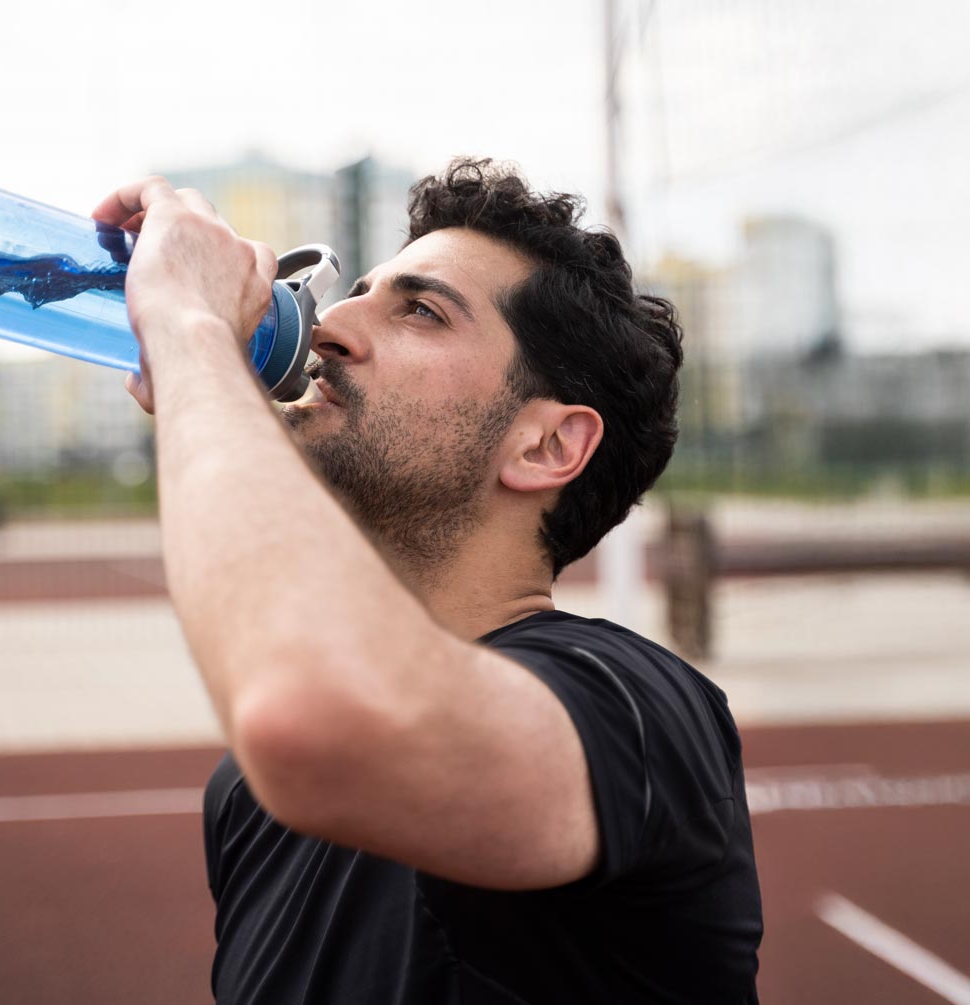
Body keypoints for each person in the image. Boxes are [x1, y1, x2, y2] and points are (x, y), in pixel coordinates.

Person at [91, 156, 763, 1004]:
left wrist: (192, 330)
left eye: (419, 311)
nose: (328, 324)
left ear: (546, 445)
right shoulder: (245, 796)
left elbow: (313, 711)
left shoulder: (638, 710)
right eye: (354, 292)